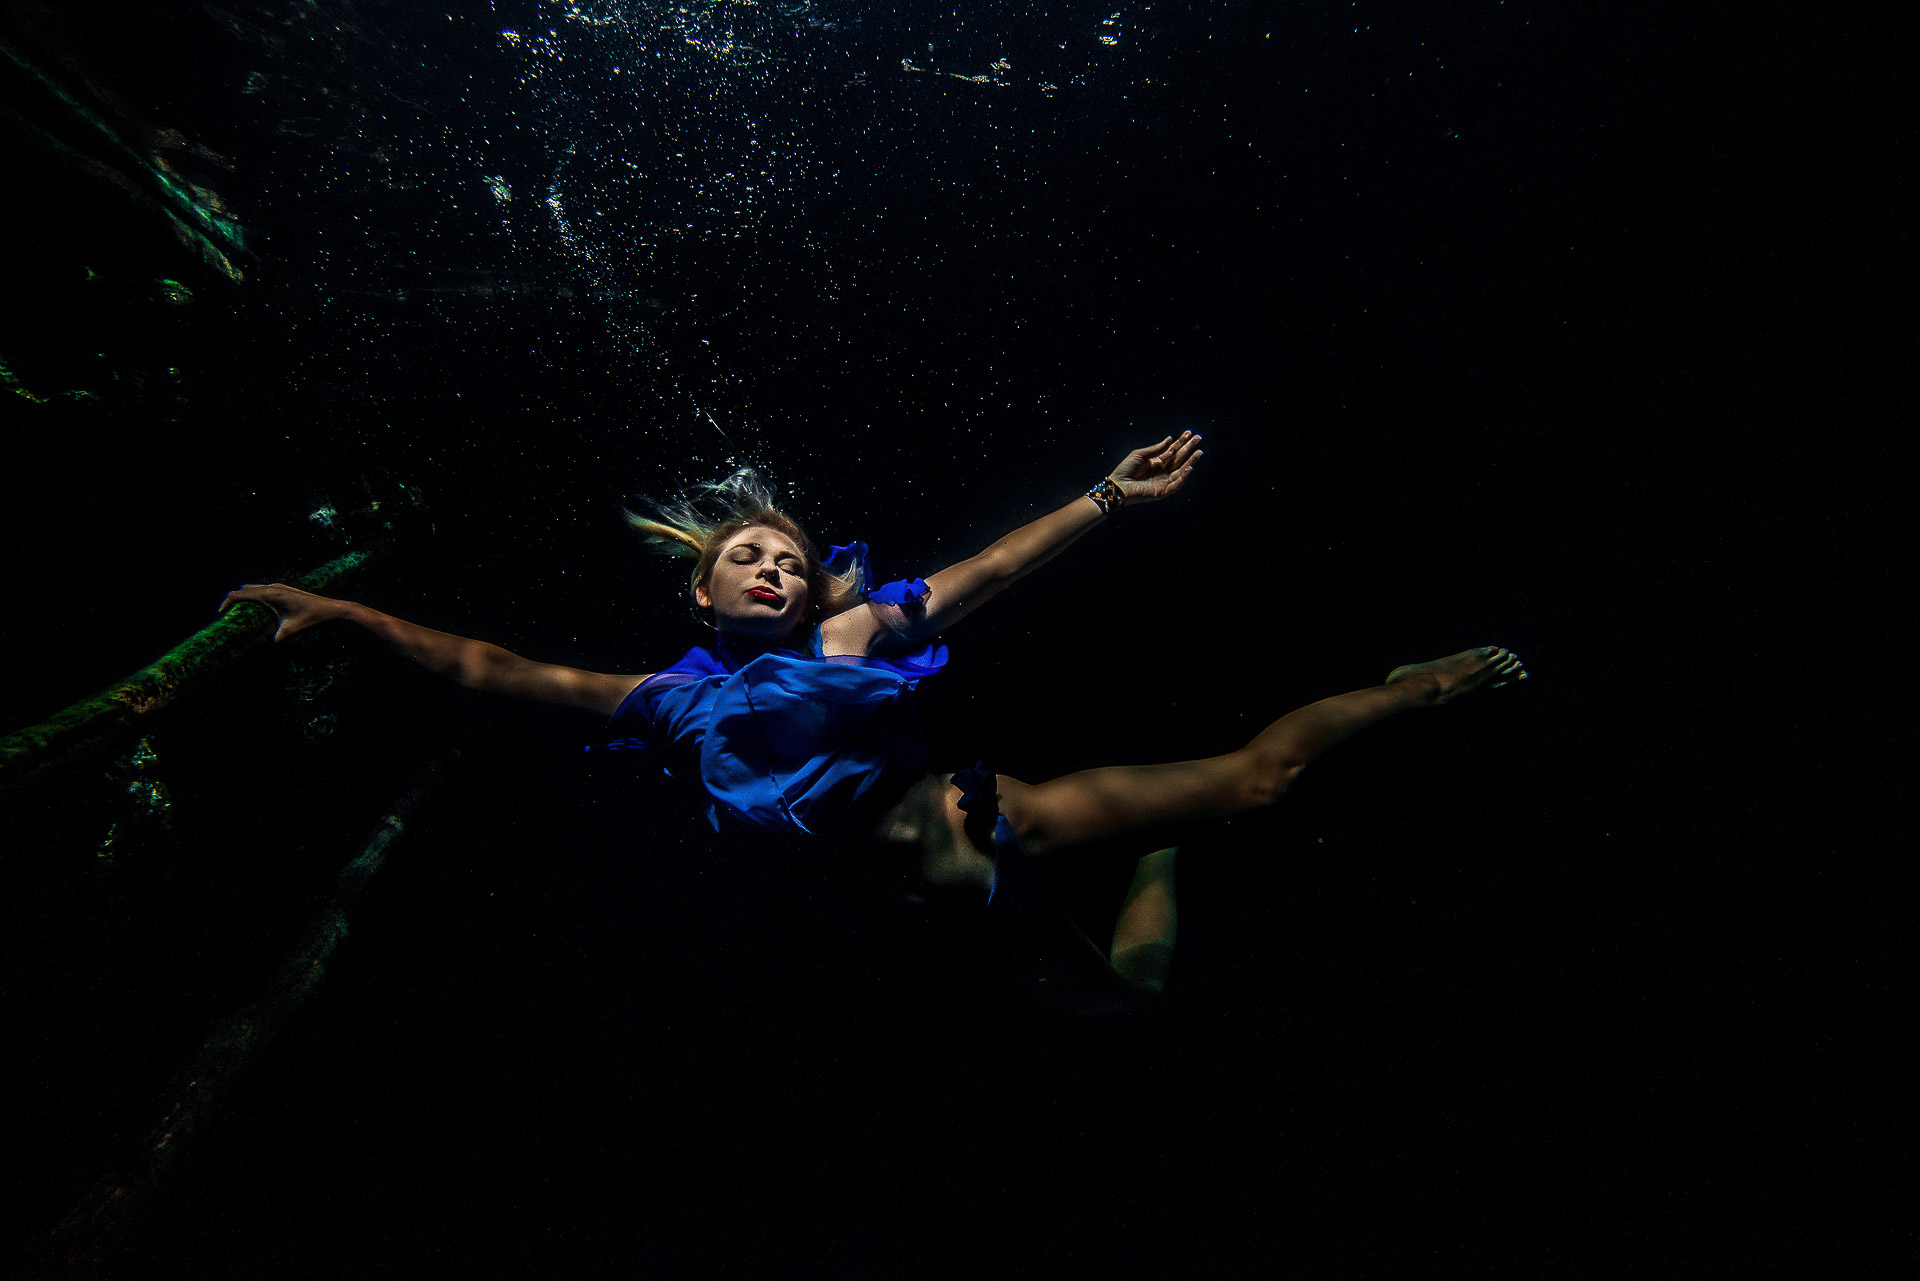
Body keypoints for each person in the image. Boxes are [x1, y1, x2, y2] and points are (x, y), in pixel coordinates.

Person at [221, 433, 1526, 1012]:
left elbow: (996, 570)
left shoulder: (857, 631)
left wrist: (1109, 498)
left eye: (789, 553)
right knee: (1127, 1012)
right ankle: (1158, 872)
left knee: (1257, 784)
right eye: (748, 554)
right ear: (701, 584)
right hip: (919, 923)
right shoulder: (672, 703)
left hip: (994, 821)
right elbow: (494, 669)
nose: (775, 566)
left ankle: (1427, 683)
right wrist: (348, 616)